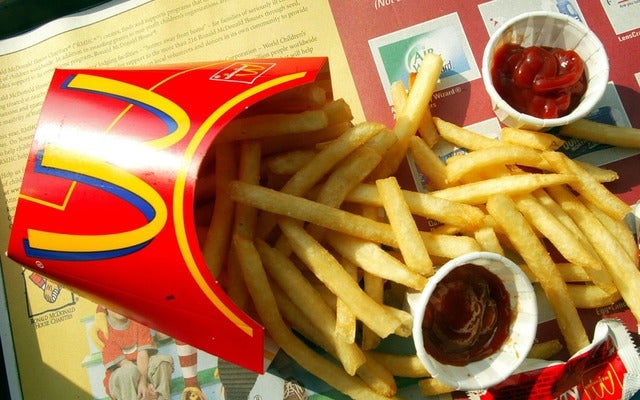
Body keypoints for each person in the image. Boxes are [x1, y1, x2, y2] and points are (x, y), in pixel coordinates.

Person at [96, 307, 174, 400]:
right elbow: (124, 363)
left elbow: (142, 355)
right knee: (129, 371)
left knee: (162, 361)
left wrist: (144, 383)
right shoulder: (103, 329)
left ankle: (158, 397)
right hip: (123, 382)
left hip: (142, 371)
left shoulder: (138, 319)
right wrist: (143, 384)